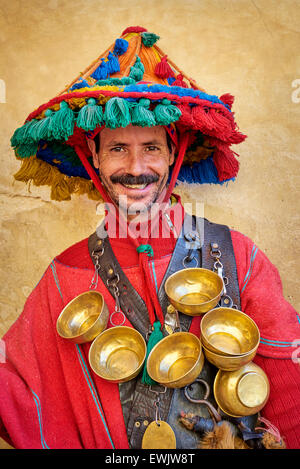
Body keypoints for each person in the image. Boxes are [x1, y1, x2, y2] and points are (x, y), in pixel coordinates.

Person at [1, 26, 299, 450]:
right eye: (118, 148)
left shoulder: (238, 257)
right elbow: (17, 392)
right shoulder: (64, 274)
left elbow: (292, 392)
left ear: (174, 153)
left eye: (152, 148)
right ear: (94, 157)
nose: (136, 168)